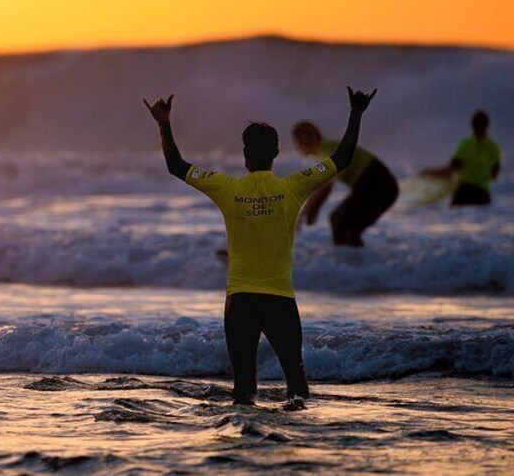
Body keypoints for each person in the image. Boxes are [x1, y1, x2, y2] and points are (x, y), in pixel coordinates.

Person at [143, 86, 376, 409]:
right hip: (279, 300)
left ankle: (244, 453)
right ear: (277, 154)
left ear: (244, 156)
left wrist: (164, 123)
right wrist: (356, 113)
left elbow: (176, 166)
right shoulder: (294, 186)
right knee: (297, 388)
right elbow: (343, 157)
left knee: (243, 392)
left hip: (239, 301)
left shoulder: (227, 188)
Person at [291, 121, 398, 247]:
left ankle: (348, 261)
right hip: (379, 186)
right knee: (351, 229)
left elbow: (326, 186)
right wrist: (309, 210)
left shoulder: (327, 150)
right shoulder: (323, 151)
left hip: (377, 184)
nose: (297, 147)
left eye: (298, 142)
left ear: (305, 140)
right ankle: (357, 262)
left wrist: (305, 213)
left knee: (338, 221)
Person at [423, 111, 501, 206]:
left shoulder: (465, 144)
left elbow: (450, 170)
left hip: (465, 192)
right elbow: (494, 175)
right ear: (487, 126)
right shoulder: (493, 147)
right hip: (481, 194)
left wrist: (430, 173)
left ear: (472, 126)